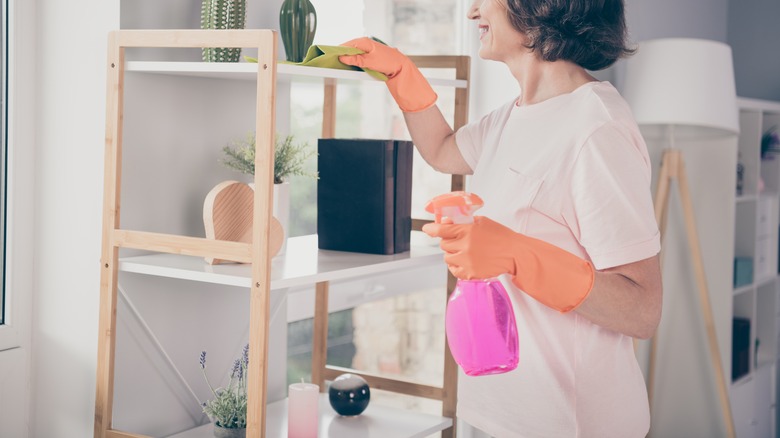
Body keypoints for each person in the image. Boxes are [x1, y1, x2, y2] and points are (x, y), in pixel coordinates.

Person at [339, 0, 662, 436]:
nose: (472, 11)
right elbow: (443, 150)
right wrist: (403, 77)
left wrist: (519, 255)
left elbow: (642, 310)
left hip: (571, 420)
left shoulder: (597, 129)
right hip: (495, 409)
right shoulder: (515, 115)